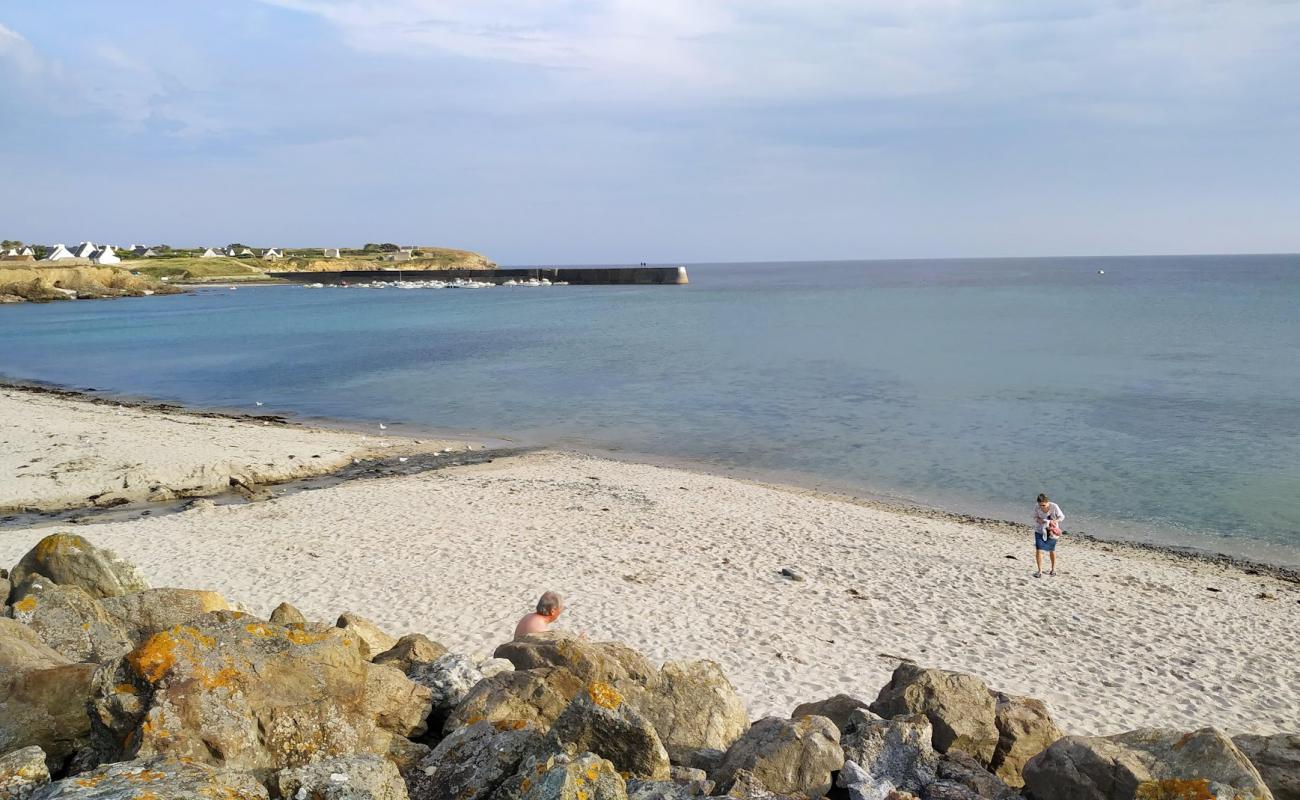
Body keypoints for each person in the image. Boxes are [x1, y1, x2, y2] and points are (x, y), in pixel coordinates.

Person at [1032, 493, 1065, 578]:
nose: (1042, 507)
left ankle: (1053, 570)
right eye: (1040, 505)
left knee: (1051, 550)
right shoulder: (1036, 506)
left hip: (1051, 531)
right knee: (1038, 550)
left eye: (1043, 505)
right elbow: (1034, 517)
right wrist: (1039, 520)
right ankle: (1039, 571)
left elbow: (1062, 517)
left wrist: (1054, 521)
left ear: (1047, 502)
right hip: (1039, 530)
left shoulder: (1054, 506)